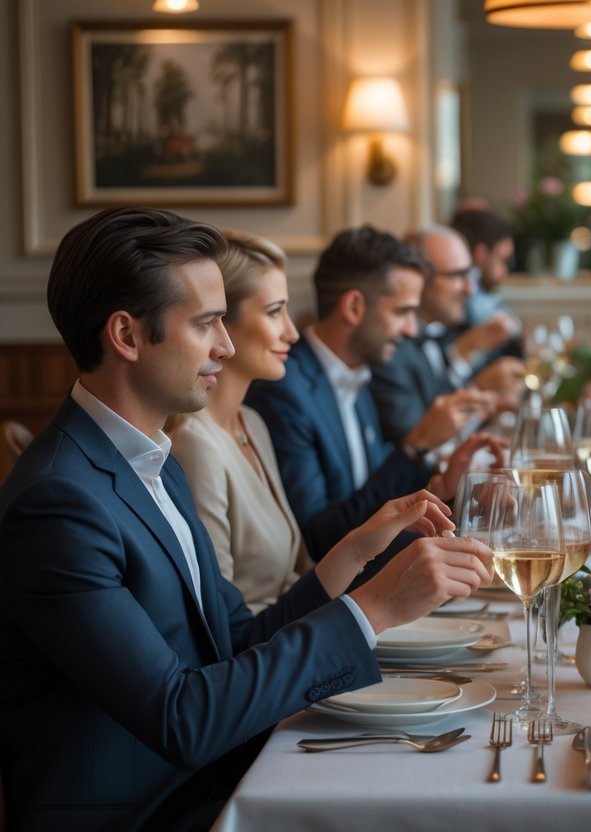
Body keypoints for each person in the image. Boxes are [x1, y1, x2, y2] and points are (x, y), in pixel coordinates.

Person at [0, 206, 493, 831]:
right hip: (152, 815)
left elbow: (233, 642)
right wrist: (376, 610)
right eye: (207, 323)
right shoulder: (57, 504)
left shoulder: (151, 459)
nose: (226, 346)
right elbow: (181, 718)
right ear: (126, 336)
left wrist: (360, 563)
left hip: (205, 783)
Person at [245, 225, 501, 560]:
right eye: (402, 312)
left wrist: (443, 487)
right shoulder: (285, 392)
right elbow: (321, 540)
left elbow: (372, 494)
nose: (411, 329)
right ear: (353, 307)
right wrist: (416, 445)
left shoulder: (357, 372)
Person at [369, 225, 524, 445]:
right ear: (420, 276)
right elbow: (423, 446)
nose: (469, 290)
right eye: (458, 276)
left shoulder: (438, 332)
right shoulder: (390, 347)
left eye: (470, 275)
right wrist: (478, 385)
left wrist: (489, 407)